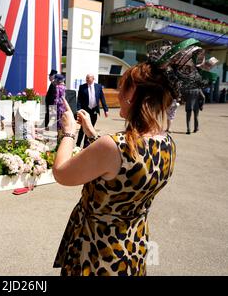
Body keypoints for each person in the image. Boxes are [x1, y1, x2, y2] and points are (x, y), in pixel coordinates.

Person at [53, 60, 177, 276]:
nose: (118, 94)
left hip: (97, 250)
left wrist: (70, 132)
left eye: (123, 88)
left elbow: (62, 173)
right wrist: (92, 134)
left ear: (134, 94)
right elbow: (124, 168)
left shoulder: (113, 146)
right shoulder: (167, 143)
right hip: (133, 243)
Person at [76, 74, 108, 148]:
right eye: (86, 78)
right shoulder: (82, 87)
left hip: (94, 110)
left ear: (93, 78)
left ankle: (86, 145)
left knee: (90, 128)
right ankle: (78, 144)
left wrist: (105, 110)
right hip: (85, 110)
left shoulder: (98, 87)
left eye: (88, 78)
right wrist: (78, 110)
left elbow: (102, 98)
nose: (87, 79)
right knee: (82, 128)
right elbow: (79, 100)